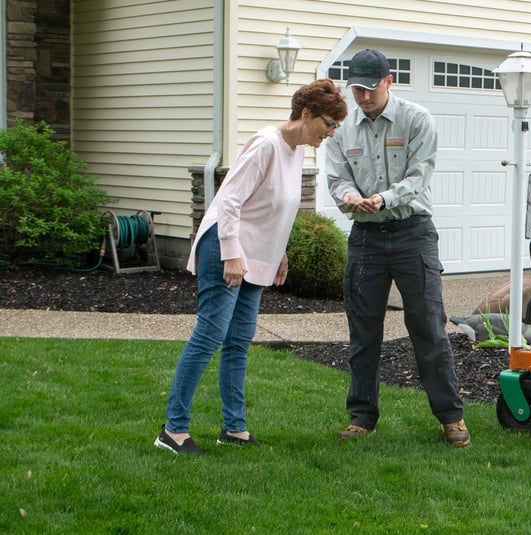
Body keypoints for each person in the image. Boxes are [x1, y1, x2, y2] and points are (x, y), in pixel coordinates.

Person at [154, 79, 347, 454]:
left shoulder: (296, 151)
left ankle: (234, 429)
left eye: (336, 127)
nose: (331, 133)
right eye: (328, 124)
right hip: (226, 247)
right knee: (210, 334)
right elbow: (229, 201)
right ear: (306, 115)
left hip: (256, 253)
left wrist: (280, 252)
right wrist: (231, 253)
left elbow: (276, 209)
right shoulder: (266, 144)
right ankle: (173, 430)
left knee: (239, 341)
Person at [325, 49, 469, 447]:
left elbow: (420, 175)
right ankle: (361, 418)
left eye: (371, 89)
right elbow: (336, 179)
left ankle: (451, 418)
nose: (364, 97)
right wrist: (351, 197)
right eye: (357, 89)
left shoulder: (417, 120)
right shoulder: (341, 129)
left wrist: (384, 199)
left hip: (413, 234)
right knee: (363, 331)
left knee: (427, 327)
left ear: (390, 82)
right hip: (366, 240)